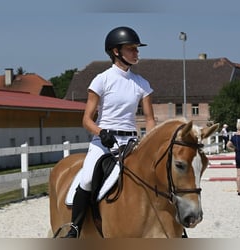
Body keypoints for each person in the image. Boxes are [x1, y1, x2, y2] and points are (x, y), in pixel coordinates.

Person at [64, 26, 156, 238]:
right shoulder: (101, 80)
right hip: (104, 141)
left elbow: (150, 118)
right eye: (131, 48)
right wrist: (101, 132)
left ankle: (176, 225)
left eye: (136, 49)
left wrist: (148, 141)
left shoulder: (142, 84)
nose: (136, 52)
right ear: (116, 51)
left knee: (156, 175)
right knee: (86, 178)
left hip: (132, 142)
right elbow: (86, 119)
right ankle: (75, 227)